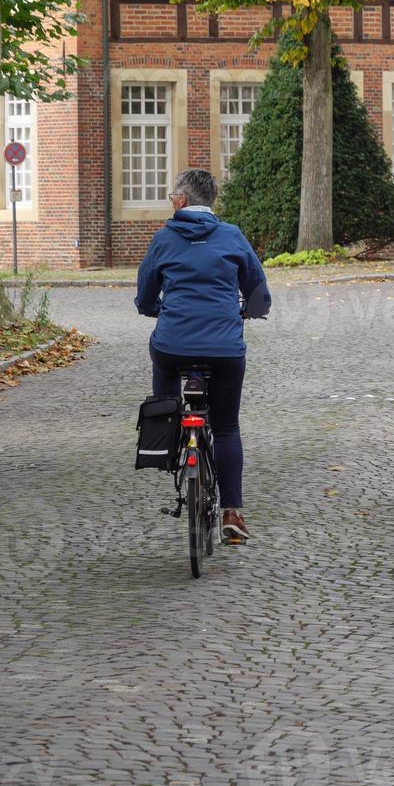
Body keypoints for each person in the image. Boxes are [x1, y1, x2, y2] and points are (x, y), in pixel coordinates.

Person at [135, 168, 271, 543]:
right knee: (226, 426)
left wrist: (152, 309)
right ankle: (232, 511)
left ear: (180, 201)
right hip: (224, 348)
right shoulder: (231, 236)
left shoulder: (163, 239)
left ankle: (165, 430)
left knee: (161, 359)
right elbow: (258, 290)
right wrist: (249, 311)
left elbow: (146, 293)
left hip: (172, 345)